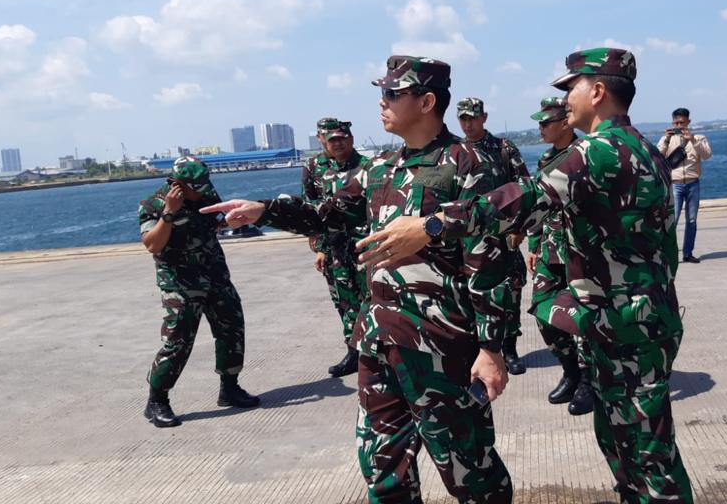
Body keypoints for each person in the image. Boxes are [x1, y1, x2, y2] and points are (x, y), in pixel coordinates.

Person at [358, 48, 694, 503]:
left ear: (596, 91)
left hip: (625, 326)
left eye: (570, 89)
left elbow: (522, 200)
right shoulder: (645, 149)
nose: (564, 101)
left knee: (647, 459)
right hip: (635, 319)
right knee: (630, 449)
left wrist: (431, 225)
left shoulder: (596, 150)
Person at [203, 56, 513, 503]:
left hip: (443, 348)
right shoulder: (378, 169)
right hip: (378, 341)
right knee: (384, 472)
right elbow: (325, 213)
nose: (381, 103)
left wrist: (491, 347)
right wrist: (264, 210)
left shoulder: (468, 165)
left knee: (471, 471)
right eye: (381, 93)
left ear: (426, 102)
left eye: (391, 94)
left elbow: (489, 262)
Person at [138, 156, 260, 428]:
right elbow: (152, 244)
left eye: (205, 184)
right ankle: (157, 400)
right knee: (178, 341)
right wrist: (169, 212)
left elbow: (215, 221)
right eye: (196, 186)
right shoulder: (153, 204)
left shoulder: (205, 193)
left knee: (232, 328)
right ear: (177, 183)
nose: (203, 190)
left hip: (215, 274)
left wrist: (230, 221)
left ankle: (230, 387)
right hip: (181, 283)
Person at [525, 96, 593, 416]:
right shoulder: (545, 160)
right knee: (543, 310)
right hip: (550, 249)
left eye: (545, 122)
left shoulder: (584, 156)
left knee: (581, 317)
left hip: (580, 251)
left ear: (565, 122)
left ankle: (588, 381)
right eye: (539, 123)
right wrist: (533, 245)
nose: (540, 128)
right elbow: (540, 207)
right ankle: (570, 369)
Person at [457, 96, 531, 375]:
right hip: (465, 240)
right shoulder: (455, 151)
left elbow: (523, 186)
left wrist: (519, 228)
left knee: (509, 294)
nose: (468, 123)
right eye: (463, 118)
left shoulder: (502, 148)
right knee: (468, 296)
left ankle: (509, 349)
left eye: (473, 118)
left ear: (484, 117)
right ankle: (482, 350)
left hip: (502, 237)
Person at [301, 117, 370, 377]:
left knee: (371, 299)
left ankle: (376, 352)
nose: (338, 144)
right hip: (334, 249)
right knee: (344, 301)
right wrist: (320, 247)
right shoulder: (315, 167)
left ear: (351, 139)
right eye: (332, 140)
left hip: (363, 245)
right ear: (323, 141)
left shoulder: (368, 166)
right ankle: (353, 353)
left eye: (342, 138)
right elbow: (311, 208)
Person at [656, 108, 711, 263]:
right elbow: (657, 157)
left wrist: (693, 139)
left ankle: (688, 253)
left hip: (693, 183)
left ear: (689, 122)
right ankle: (668, 253)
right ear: (673, 122)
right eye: (676, 122)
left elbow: (707, 155)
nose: (679, 125)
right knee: (672, 220)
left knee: (692, 220)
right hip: (675, 185)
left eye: (682, 122)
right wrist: (667, 140)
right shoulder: (667, 138)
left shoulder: (699, 138)